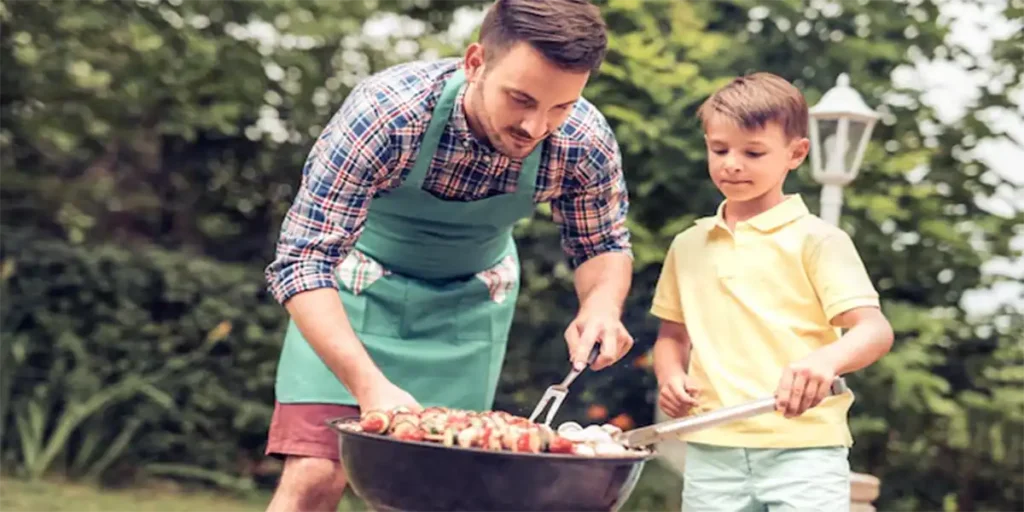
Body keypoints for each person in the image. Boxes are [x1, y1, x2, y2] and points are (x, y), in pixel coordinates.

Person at [262, 0, 636, 510]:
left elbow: (603, 243)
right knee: (316, 473)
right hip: (354, 294)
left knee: (433, 493)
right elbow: (302, 259)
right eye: (520, 99)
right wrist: (370, 386)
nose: (535, 126)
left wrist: (601, 306)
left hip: (467, 311)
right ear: (476, 61)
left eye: (560, 106)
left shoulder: (581, 141)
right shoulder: (388, 113)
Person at [649, 72, 895, 511]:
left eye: (753, 152)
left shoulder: (818, 240)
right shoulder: (687, 245)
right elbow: (672, 336)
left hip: (804, 451)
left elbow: (873, 330)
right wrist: (670, 375)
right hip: (711, 450)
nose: (732, 163)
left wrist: (826, 360)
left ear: (796, 153)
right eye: (719, 149)